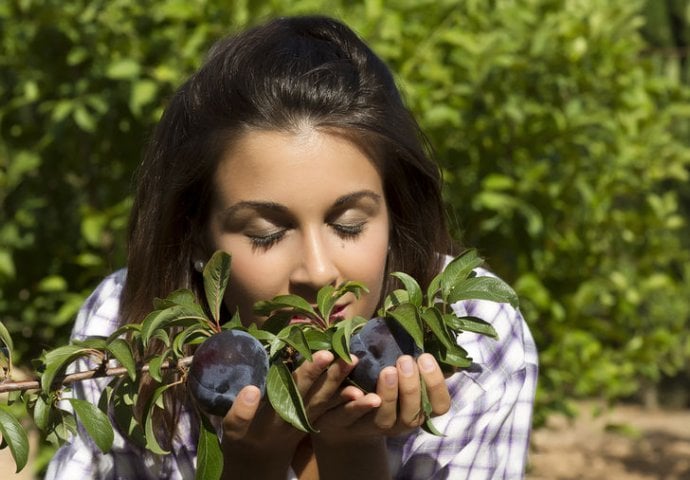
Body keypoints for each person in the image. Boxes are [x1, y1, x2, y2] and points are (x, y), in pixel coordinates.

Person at [45, 15, 538, 480]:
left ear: (394, 210)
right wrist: (251, 463)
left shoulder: (468, 333)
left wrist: (354, 452)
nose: (319, 272)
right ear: (196, 232)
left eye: (348, 224)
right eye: (266, 233)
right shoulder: (123, 331)